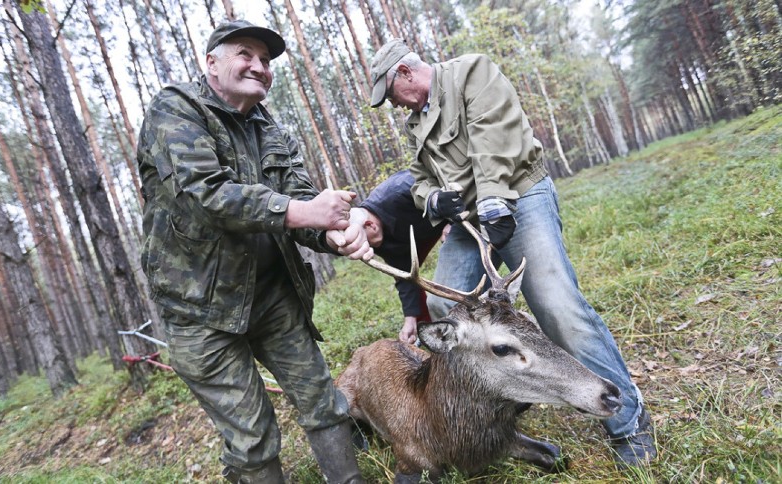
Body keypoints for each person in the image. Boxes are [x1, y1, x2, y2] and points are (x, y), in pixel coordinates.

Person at [367, 38, 656, 467]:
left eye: (391, 93)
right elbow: (420, 177)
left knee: (558, 308)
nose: (393, 104)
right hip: (470, 217)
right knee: (443, 302)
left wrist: (492, 200)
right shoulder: (416, 121)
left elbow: (493, 140)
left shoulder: (472, 72)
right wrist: (433, 201)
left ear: (405, 73)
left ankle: (629, 421)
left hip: (520, 195)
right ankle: (501, 384)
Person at [137, 20, 368, 483]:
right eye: (246, 54)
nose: (260, 67)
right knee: (251, 435)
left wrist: (335, 234)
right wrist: (305, 213)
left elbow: (301, 201)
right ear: (212, 63)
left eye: (266, 61)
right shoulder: (176, 109)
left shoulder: (271, 130)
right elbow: (207, 194)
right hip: (199, 310)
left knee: (323, 399)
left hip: (271, 295)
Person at [349, 170, 448, 343]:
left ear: (370, 225)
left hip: (453, 214)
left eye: (367, 243)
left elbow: (448, 183)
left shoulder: (401, 191)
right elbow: (404, 274)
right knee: (425, 299)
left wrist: (452, 223)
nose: (369, 249)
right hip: (423, 233)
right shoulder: (378, 239)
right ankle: (427, 331)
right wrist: (410, 318)